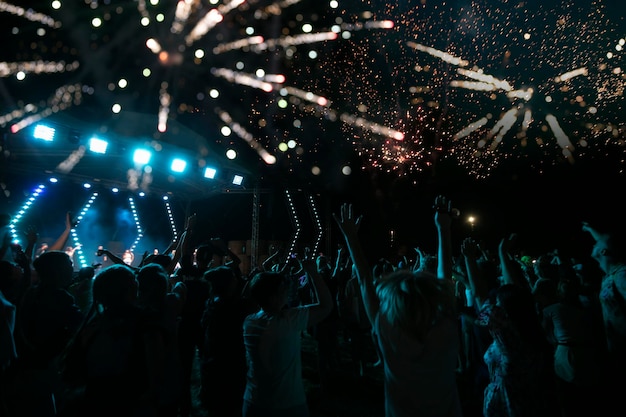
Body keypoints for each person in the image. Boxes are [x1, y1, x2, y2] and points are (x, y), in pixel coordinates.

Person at [333, 198, 462, 417]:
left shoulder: (388, 331)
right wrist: (444, 229)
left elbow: (364, 281)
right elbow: (446, 279)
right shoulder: (445, 330)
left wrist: (351, 238)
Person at [242, 257, 333, 417]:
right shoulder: (288, 320)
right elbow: (326, 306)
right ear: (273, 298)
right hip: (287, 405)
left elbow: (249, 296)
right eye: (283, 290)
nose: (287, 292)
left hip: (253, 402)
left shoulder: (249, 322)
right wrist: (313, 272)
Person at [581, 221, 626, 402]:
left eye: (597, 244)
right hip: (617, 348)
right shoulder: (609, 275)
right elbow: (603, 241)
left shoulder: (622, 274)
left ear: (604, 252)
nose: (594, 243)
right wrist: (590, 228)